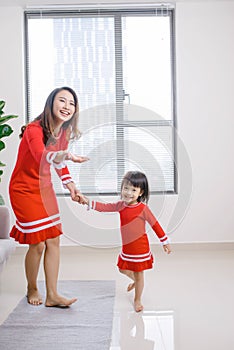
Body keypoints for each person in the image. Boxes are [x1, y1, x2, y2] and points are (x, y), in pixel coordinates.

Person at [9, 86, 89, 307]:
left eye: (71, 103)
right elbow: (42, 156)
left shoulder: (62, 133)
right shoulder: (34, 130)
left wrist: (72, 187)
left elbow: (59, 164)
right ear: (51, 103)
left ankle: (52, 295)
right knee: (38, 244)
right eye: (62, 101)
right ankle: (32, 287)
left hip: (44, 190)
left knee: (53, 240)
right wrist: (66, 155)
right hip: (23, 190)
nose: (67, 106)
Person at [78, 171, 171, 312]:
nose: (128, 193)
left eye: (133, 190)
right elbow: (105, 207)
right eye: (126, 188)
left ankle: (137, 299)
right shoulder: (121, 206)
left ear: (141, 193)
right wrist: (87, 201)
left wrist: (164, 241)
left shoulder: (143, 209)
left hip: (140, 248)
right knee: (122, 268)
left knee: (140, 274)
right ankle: (135, 280)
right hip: (127, 248)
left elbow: (155, 224)